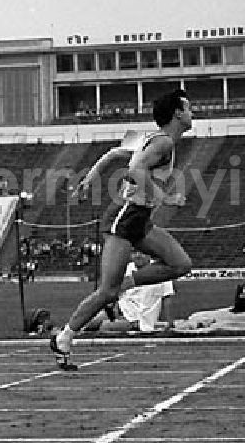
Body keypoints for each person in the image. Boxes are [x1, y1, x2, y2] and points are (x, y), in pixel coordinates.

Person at [50, 89, 194, 370]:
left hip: (139, 220)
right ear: (177, 113)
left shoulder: (156, 139)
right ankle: (65, 336)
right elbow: (134, 168)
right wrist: (166, 198)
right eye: (189, 108)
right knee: (106, 291)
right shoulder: (163, 142)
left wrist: (91, 176)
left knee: (180, 264)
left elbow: (117, 153)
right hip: (124, 218)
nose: (193, 113)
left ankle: (129, 284)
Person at [86, 252, 175, 333]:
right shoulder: (126, 269)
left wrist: (170, 323)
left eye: (142, 253)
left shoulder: (162, 272)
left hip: (137, 320)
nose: (138, 256)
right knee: (88, 323)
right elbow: (117, 292)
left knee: (105, 327)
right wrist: (113, 310)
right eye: (134, 252)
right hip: (120, 311)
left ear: (149, 254)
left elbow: (167, 299)